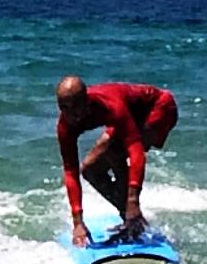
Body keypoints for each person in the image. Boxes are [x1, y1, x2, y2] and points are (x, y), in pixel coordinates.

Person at [55, 76, 178, 248]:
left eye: (75, 107)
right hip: (129, 116)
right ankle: (131, 218)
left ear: (86, 101)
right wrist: (78, 222)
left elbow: (135, 151)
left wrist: (133, 199)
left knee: (115, 151)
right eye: (64, 107)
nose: (70, 115)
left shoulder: (111, 106)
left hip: (159, 107)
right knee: (90, 169)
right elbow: (70, 171)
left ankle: (131, 216)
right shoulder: (65, 125)